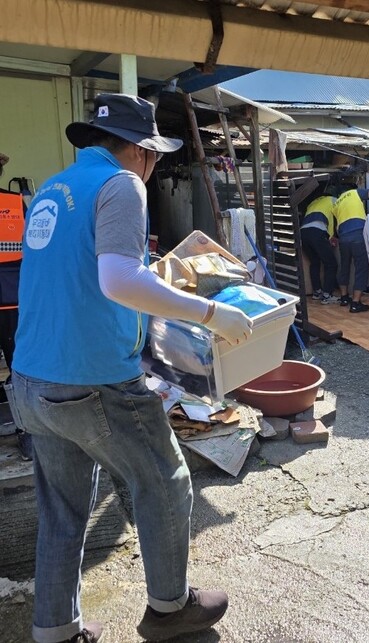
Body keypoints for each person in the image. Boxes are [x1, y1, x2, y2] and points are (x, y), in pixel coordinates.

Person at [5, 93, 254, 643]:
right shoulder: (122, 184)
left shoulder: (53, 189)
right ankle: (170, 609)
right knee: (165, 483)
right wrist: (211, 313)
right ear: (140, 150)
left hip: (30, 381)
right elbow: (118, 280)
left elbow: (76, 277)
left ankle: (56, 630)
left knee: (63, 510)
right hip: (92, 381)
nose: (154, 165)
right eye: (155, 156)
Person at [0, 153, 32, 460]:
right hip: (14, 301)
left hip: (13, 301)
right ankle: (27, 434)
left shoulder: (16, 203)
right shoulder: (15, 204)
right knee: (19, 368)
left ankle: (28, 433)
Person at [333, 180, 369, 313]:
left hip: (343, 238)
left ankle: (344, 298)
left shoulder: (336, 204)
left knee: (344, 266)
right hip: (358, 234)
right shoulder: (355, 193)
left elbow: (336, 228)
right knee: (361, 267)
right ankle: (355, 303)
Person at [299, 193, 339, 304]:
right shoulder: (333, 199)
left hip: (303, 233)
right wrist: (332, 236)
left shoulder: (313, 203)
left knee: (315, 262)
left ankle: (317, 292)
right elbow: (336, 219)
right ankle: (327, 295)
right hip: (317, 231)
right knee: (331, 264)